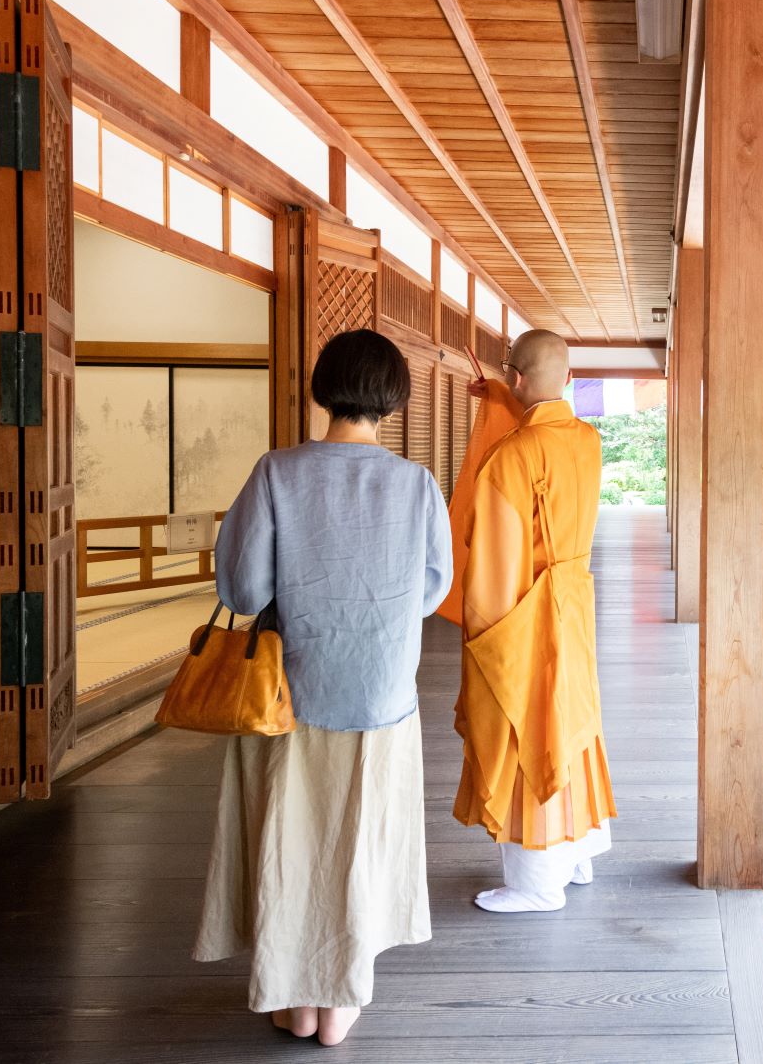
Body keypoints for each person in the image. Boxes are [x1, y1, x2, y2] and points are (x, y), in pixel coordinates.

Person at [193, 329, 453, 1046]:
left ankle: (293, 996)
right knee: (359, 843)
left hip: (289, 696)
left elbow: (243, 589)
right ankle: (341, 1001)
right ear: (393, 401)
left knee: (292, 843)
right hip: (379, 697)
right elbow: (432, 591)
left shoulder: (276, 473)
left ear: (321, 387)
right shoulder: (417, 484)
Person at [445, 329, 616, 913]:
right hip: (573, 603)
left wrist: (482, 634)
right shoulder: (588, 440)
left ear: (518, 377)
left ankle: (537, 882)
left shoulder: (511, 457)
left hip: (526, 615)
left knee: (526, 730)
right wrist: (499, 395)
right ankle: (578, 849)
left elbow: (493, 563)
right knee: (572, 719)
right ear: (567, 378)